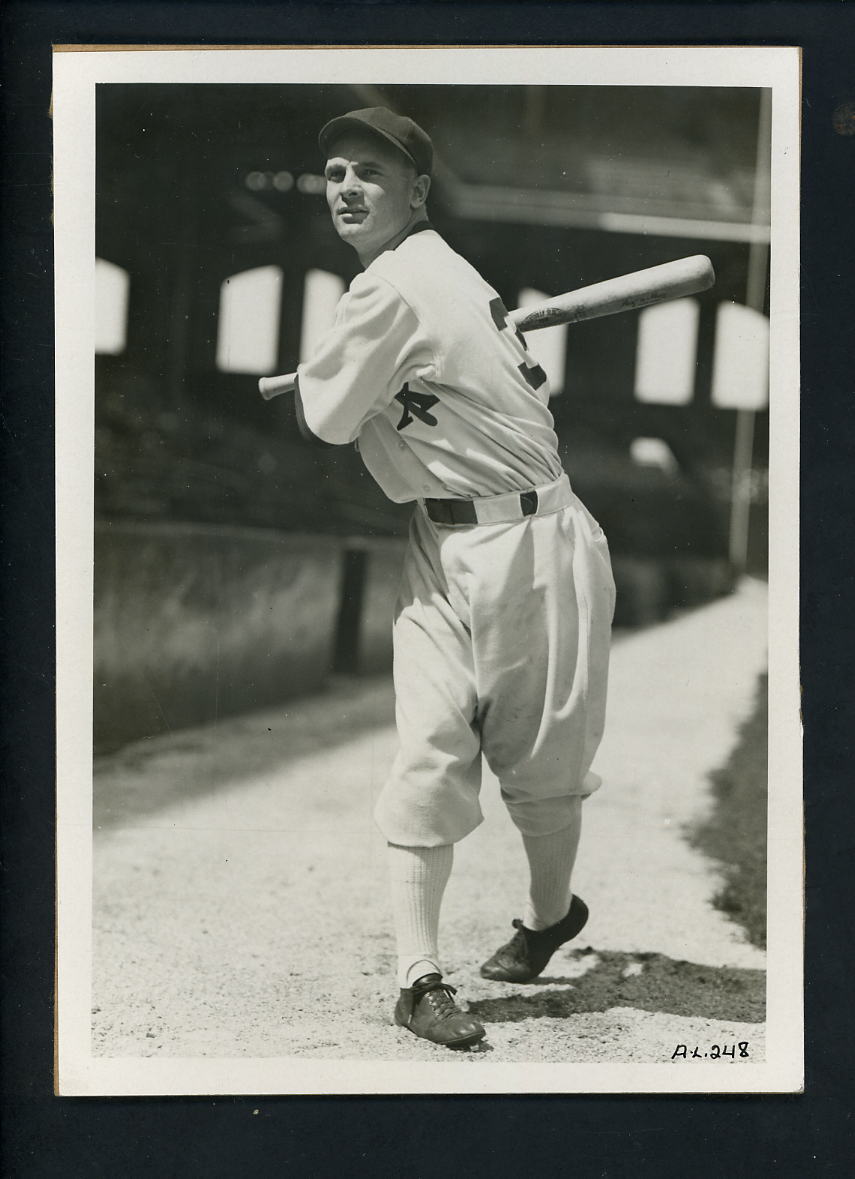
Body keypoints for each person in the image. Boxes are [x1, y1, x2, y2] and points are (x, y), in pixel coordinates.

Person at [292, 107, 615, 1049]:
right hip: (440, 541)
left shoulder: (393, 288)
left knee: (543, 773)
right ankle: (417, 977)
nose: (347, 187)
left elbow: (323, 420)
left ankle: (551, 916)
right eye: (337, 172)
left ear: (416, 193)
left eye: (372, 174)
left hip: (535, 540)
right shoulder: (442, 273)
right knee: (428, 750)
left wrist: (339, 379)